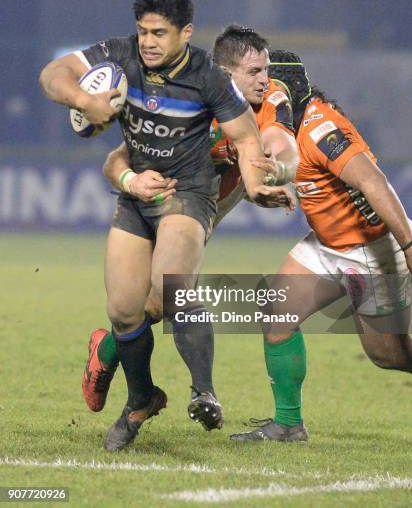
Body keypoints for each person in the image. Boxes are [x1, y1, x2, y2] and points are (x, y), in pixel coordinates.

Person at [39, 0, 291, 451]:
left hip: (188, 195)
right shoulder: (120, 55)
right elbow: (54, 72)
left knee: (172, 285)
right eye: (143, 31)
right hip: (136, 199)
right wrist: (82, 99)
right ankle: (142, 399)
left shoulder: (208, 78)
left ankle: (204, 392)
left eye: (159, 32)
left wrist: (256, 185)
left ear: (186, 33)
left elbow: (249, 139)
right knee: (124, 310)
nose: (149, 41)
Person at [86, 25, 299, 416]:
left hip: (203, 211)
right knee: (159, 297)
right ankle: (170, 383)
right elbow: (116, 160)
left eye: (265, 70)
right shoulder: (185, 98)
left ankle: (108, 351)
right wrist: (132, 181)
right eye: (254, 72)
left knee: (160, 300)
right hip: (159, 206)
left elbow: (283, 146)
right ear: (222, 74)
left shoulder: (272, 97)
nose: (265, 80)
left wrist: (276, 172)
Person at [229, 50, 412, 442]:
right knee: (277, 311)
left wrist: (409, 244)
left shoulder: (318, 126)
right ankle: (288, 424)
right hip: (327, 247)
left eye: (269, 86)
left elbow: (374, 182)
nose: (263, 95)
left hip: (371, 250)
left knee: (388, 355)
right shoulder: (273, 123)